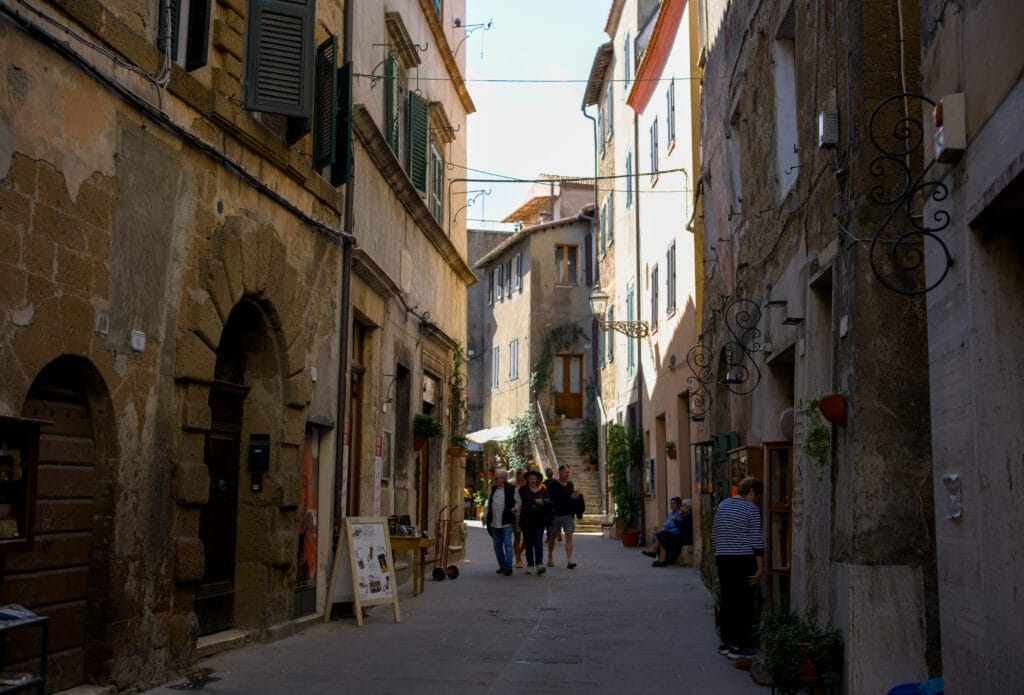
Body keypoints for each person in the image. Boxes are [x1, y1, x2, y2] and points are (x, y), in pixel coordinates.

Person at [712, 477, 765, 658]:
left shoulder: (723, 505)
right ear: (751, 492)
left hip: (723, 558)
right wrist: (760, 567)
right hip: (743, 559)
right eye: (757, 496)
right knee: (743, 602)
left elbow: (715, 533)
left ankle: (725, 643)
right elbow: (756, 538)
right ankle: (739, 645)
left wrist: (720, 553)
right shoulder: (752, 509)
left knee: (727, 599)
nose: (757, 500)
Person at [484, 469, 521, 576]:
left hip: (506, 522)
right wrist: (485, 515)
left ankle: (508, 567)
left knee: (508, 544)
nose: (495, 480)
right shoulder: (493, 489)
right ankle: (502, 566)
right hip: (494, 523)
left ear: (504, 478)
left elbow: (518, 502)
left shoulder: (512, 489)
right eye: (495, 478)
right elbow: (488, 504)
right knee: (497, 546)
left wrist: (516, 508)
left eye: (496, 478)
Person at [544, 464, 579, 569]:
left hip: (568, 514)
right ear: (560, 472)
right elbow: (549, 498)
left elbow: (571, 498)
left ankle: (569, 560)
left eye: (568, 472)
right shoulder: (553, 484)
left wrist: (574, 497)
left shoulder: (570, 485)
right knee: (553, 536)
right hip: (556, 514)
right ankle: (550, 556)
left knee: (569, 536)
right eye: (566, 472)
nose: (568, 474)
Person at [517, 470, 551, 575]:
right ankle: (530, 564)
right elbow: (517, 501)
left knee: (538, 542)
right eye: (530, 478)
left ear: (538, 480)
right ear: (527, 479)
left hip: (539, 521)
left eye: (534, 478)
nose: (532, 480)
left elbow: (549, 502)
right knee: (528, 543)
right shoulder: (522, 490)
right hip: (526, 521)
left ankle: (539, 564)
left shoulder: (543, 490)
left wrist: (543, 502)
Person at [644, 496, 692, 566]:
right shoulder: (671, 514)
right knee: (658, 535)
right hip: (673, 534)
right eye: (670, 504)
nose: (671, 505)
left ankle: (657, 554)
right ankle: (661, 559)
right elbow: (666, 526)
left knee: (661, 536)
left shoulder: (683, 514)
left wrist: (674, 521)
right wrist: (660, 530)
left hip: (679, 536)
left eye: (674, 504)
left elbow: (679, 527)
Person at [512, 468, 526, 568]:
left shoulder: (529, 485)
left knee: (527, 540)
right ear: (518, 475)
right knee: (517, 537)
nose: (526, 476)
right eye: (524, 474)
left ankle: (518, 553)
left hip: (527, 514)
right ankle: (518, 559)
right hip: (516, 514)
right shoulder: (512, 485)